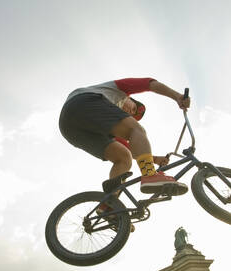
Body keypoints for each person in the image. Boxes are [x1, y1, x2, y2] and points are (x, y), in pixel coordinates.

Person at [59, 77, 190, 194]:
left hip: (70, 129)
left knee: (124, 157)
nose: (129, 112)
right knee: (136, 130)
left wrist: (154, 159)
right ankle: (150, 175)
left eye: (133, 114)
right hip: (83, 101)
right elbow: (150, 83)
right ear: (130, 99)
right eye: (133, 109)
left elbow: (130, 148)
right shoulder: (119, 90)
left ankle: (109, 206)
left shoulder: (106, 121)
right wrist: (177, 96)